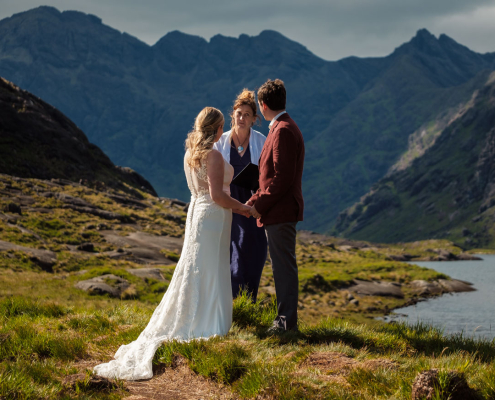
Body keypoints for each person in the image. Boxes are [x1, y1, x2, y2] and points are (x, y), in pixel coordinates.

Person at [94, 107, 251, 380]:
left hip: (196, 214)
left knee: (196, 268)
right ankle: (210, 321)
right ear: (215, 129)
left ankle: (197, 314)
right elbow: (217, 196)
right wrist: (244, 208)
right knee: (210, 267)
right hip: (213, 216)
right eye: (221, 126)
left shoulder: (190, 153)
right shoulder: (212, 155)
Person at [247, 79, 305, 332]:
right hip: (278, 210)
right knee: (282, 267)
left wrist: (259, 205)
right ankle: (285, 321)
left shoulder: (281, 130)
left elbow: (282, 178)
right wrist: (252, 200)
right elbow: (273, 176)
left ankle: (286, 324)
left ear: (263, 105)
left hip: (280, 211)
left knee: (283, 268)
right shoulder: (281, 127)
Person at [213, 89, 267, 301]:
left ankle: (248, 302)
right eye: (238, 113)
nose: (242, 118)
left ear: (254, 119)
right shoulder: (220, 142)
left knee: (254, 252)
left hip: (252, 205)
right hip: (227, 204)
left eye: (247, 115)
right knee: (230, 254)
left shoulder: (262, 142)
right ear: (232, 115)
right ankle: (230, 304)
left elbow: (268, 174)